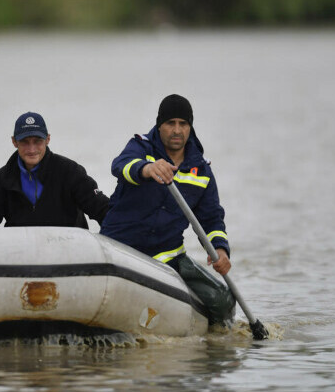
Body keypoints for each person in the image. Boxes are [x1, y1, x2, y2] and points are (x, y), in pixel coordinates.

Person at [99, 94, 236, 326]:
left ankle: (211, 340)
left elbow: (211, 219)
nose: (177, 130)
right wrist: (147, 168)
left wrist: (221, 250)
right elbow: (120, 165)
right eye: (170, 123)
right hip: (121, 248)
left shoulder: (202, 170)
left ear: (190, 128)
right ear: (159, 125)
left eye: (183, 124)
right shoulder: (140, 146)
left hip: (168, 256)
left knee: (223, 301)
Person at [0, 111, 109, 231]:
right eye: (24, 142)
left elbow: (103, 211)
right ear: (14, 142)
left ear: (47, 139)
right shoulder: (3, 178)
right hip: (20, 252)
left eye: (37, 141)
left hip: (69, 251)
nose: (31, 149)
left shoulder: (70, 171)